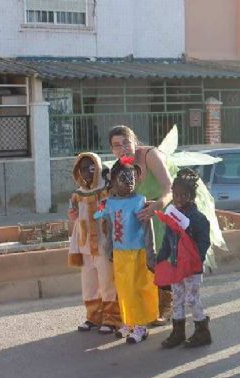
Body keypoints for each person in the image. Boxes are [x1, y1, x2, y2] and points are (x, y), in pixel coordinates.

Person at [108, 126, 173, 327]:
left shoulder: (149, 155)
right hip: (139, 223)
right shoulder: (119, 167)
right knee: (144, 268)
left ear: (135, 141)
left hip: (162, 212)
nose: (123, 148)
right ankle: (147, 309)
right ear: (112, 150)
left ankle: (167, 307)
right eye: (117, 145)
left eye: (126, 142)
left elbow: (169, 188)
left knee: (163, 263)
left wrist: (156, 206)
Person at [94, 157, 157, 344]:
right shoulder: (110, 203)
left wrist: (150, 253)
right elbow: (108, 225)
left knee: (138, 288)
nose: (129, 182)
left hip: (138, 252)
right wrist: (110, 249)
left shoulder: (140, 201)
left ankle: (141, 326)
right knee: (123, 288)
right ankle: (128, 321)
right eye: (123, 178)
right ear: (113, 180)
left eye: (131, 178)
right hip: (120, 254)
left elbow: (147, 227)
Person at [154, 168, 212, 349]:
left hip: (192, 269)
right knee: (177, 299)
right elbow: (166, 240)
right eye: (175, 194)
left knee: (191, 299)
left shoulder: (198, 219)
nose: (178, 199)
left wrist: (196, 258)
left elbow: (204, 242)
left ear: (192, 196)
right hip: (175, 267)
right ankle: (178, 332)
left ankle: (202, 331)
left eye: (183, 195)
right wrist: (160, 259)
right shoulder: (172, 215)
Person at [68, 152, 121, 334]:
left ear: (98, 168)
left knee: (107, 283)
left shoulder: (107, 190)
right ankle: (93, 317)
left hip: (103, 244)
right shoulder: (77, 194)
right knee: (89, 283)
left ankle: (112, 319)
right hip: (85, 246)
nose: (87, 172)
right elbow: (74, 220)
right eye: (82, 169)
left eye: (91, 168)